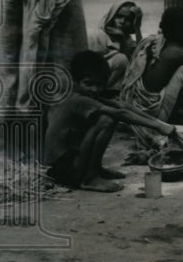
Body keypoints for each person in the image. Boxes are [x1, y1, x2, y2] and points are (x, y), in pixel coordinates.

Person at [43, 51, 175, 192]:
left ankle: (95, 169)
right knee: (106, 120)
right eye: (89, 84)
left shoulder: (86, 94)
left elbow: (122, 105)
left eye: (99, 85)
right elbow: (120, 113)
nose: (95, 89)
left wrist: (160, 124)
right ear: (75, 81)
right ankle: (89, 178)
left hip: (70, 163)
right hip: (63, 169)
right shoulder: (78, 100)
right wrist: (156, 125)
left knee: (108, 115)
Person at [119, 7, 183, 150]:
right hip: (153, 122)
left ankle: (173, 115)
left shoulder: (154, 42)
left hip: (134, 115)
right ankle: (172, 118)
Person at [87, 0, 142, 95]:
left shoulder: (126, 37)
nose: (122, 22)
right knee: (121, 59)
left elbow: (139, 57)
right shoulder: (98, 35)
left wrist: (136, 27)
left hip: (114, 85)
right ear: (112, 16)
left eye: (128, 19)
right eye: (119, 16)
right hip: (94, 81)